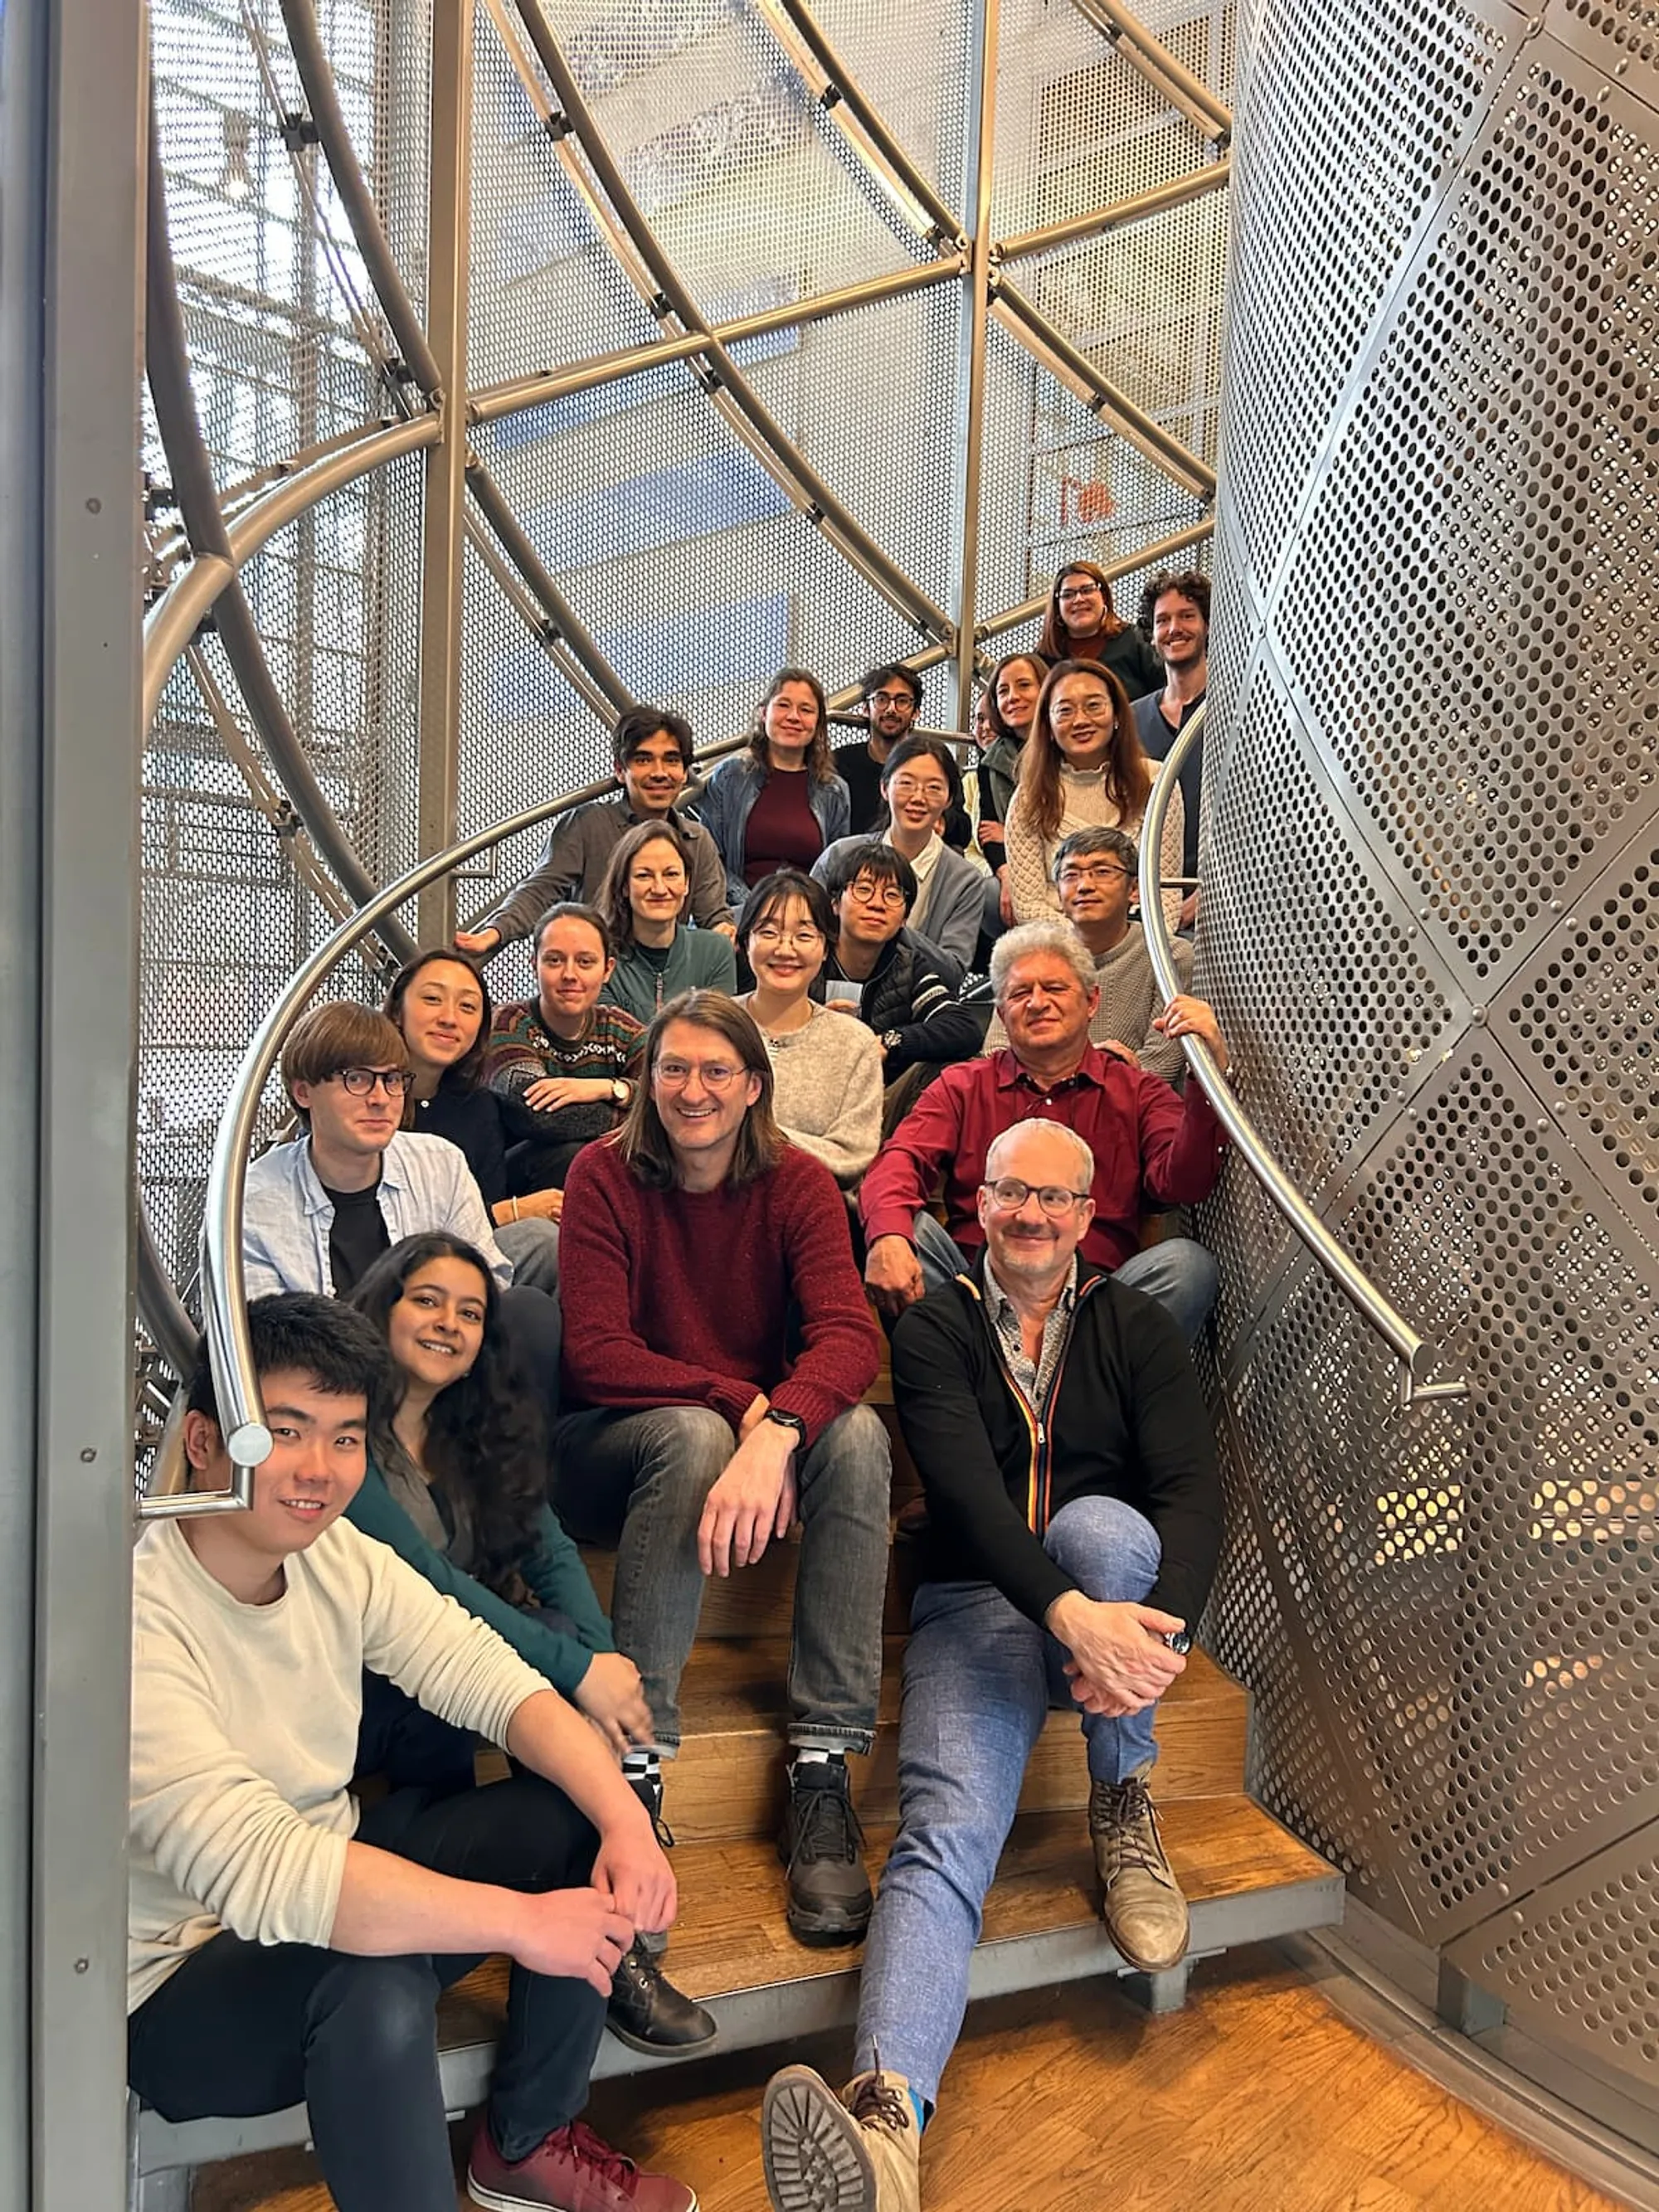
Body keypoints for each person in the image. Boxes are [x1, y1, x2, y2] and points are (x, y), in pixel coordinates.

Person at [127, 1292, 693, 2212]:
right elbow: (269, 1876)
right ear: (204, 1440)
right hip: (178, 1991)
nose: (319, 1468)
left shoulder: (334, 1556)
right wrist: (518, 1923)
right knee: (375, 1985)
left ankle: (526, 2142)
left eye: (346, 1437)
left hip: (325, 1898)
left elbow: (494, 1681)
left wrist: (625, 1820)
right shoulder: (140, 1621)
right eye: (286, 1431)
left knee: (568, 1815)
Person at [761, 1120, 1222, 2212]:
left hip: (1107, 1615)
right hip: (979, 1604)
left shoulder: (1136, 1322)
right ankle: (884, 2127)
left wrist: (1156, 1638)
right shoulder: (934, 1325)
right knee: (946, 1829)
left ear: (1087, 1211)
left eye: (1056, 1199)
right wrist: (1076, 1620)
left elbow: (1193, 1492)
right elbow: (964, 1489)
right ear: (979, 1201)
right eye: (1012, 1192)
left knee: (1109, 1528)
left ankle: (1122, 1792)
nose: (1032, 1216)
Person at [556, 991, 892, 1945]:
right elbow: (595, 1353)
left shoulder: (796, 1186)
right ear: (645, 1078)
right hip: (607, 1445)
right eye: (673, 1068)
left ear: (753, 1086)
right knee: (696, 1437)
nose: (691, 1090)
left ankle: (821, 1761)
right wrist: (738, 1404)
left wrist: (780, 1430)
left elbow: (845, 1337)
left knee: (860, 1437)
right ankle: (633, 1764)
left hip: (738, 1434)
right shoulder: (602, 1176)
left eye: (715, 1071)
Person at [346, 1234, 717, 2059]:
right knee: (546, 1657)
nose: (449, 1323)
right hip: (364, 1691)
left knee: (556, 1640)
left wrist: (602, 1658)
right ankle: (564, 1904)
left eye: (471, 1312)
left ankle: (606, 1931)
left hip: (447, 1691)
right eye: (427, 1300)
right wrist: (581, 1670)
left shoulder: (471, 1430)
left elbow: (547, 1547)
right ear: (384, 1306)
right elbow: (434, 1593)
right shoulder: (343, 1439)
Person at [860, 920, 1228, 1345]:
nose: (1037, 1003)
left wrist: (1206, 1077)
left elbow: (1183, 1182)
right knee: (911, 1231)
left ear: (1092, 1001)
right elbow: (901, 1158)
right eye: (1020, 993)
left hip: (1095, 1317)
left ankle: (1084, 1393)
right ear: (1001, 1013)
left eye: (1055, 989)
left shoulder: (1138, 1091)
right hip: (974, 1310)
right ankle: (962, 1389)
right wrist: (887, 1234)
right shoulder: (963, 1086)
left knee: (1186, 1265)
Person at [241, 1001, 511, 1301]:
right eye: (356, 1079)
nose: (381, 1098)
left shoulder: (440, 1166)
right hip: (321, 1349)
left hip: (433, 1346)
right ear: (303, 1092)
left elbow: (489, 1284)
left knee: (530, 1311)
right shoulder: (255, 1198)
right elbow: (262, 1335)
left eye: (392, 1079)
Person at [457, 703, 734, 959]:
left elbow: (713, 916)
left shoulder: (697, 839)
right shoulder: (587, 824)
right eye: (643, 760)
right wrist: (494, 932)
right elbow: (541, 890)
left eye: (672, 760)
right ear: (620, 770)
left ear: (685, 772)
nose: (660, 772)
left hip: (664, 979)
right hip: (590, 975)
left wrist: (724, 931)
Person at [385, 947, 562, 1288]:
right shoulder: (365, 1096)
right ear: (397, 1011)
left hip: (466, 1261)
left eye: (467, 1006)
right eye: (433, 999)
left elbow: (484, 1214)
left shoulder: (478, 1106)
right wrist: (515, 1210)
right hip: (383, 1264)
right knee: (540, 1237)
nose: (450, 1018)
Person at [981, 827, 1193, 1084]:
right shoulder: (1031, 956)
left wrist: (1085, 1081)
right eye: (1070, 875)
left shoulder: (1170, 956)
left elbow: (1162, 1064)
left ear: (1134, 889)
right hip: (1035, 1101)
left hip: (1132, 1105)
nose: (1084, 886)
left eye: (1102, 872)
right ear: (1058, 892)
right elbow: (995, 1052)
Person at [1004, 659, 1185, 936]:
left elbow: (1167, 892)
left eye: (1093, 706)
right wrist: (1089, 942)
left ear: (1117, 715)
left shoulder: (1158, 783)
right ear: (1048, 726)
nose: (1080, 721)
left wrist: (1131, 945)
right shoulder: (1029, 797)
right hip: (1060, 944)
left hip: (1141, 938)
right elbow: (1028, 906)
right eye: (1065, 711)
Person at [735, 870, 883, 1186]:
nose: (785, 949)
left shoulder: (854, 1043)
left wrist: (757, 1132)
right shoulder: (713, 1026)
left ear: (826, 948)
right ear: (745, 941)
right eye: (769, 932)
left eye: (804, 936)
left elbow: (852, 1155)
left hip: (813, 1207)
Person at [484, 904, 645, 1193]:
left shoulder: (618, 1028)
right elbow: (540, 1116)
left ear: (607, 969)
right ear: (534, 965)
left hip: (597, 1172)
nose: (570, 974)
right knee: (574, 1152)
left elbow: (668, 1092)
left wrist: (609, 1088)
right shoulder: (508, 1022)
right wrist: (634, 1111)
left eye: (585, 962)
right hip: (519, 1184)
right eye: (555, 960)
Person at [818, 842, 983, 1092]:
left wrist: (889, 1042)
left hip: (882, 1099)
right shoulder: (809, 957)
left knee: (955, 1068)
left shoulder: (908, 965)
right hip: (806, 1089)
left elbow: (964, 1028)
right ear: (835, 903)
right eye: (863, 890)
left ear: (905, 917)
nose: (876, 904)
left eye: (892, 895)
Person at [815, 736, 985, 977]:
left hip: (916, 1004)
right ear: (885, 788)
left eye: (934, 787)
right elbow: (806, 927)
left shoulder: (965, 879)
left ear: (949, 799)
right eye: (906, 783)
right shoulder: (840, 855)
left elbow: (954, 972)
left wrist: (892, 926)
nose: (918, 797)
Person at [693, 668, 850, 906]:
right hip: (737, 913)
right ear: (764, 713)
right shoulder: (730, 776)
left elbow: (836, 872)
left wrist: (801, 912)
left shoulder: (834, 791)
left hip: (808, 917)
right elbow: (710, 860)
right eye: (783, 705)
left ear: (818, 723)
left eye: (806, 710)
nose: (794, 717)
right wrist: (756, 908)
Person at [596, 816, 738, 1023]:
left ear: (687, 883)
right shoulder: (598, 956)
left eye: (671, 874)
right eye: (644, 876)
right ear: (625, 885)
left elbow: (715, 1036)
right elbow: (614, 1040)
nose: (660, 889)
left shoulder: (715, 951)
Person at [1133, 570, 1210, 921]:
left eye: (1187, 616)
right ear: (1152, 635)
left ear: (1208, 625)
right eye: (1163, 620)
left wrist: (1213, 891)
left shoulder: (1241, 709)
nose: (1174, 628)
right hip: (1147, 896)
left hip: (1219, 895)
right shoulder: (1133, 720)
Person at [830, 665, 973, 849]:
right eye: (881, 699)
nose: (891, 709)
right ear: (865, 708)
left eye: (902, 701)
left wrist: (940, 821)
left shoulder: (935, 764)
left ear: (916, 712)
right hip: (853, 864)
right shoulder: (840, 762)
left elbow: (962, 831)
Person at [975, 650, 1049, 939]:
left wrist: (1010, 834)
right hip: (1020, 872)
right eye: (1003, 691)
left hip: (1064, 869)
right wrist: (1007, 877)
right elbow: (987, 835)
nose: (1012, 697)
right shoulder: (992, 761)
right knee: (988, 892)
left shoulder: (1067, 749)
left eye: (1024, 685)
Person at [1034, 561, 1163, 698]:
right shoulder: (1044, 658)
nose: (1078, 599)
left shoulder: (1135, 639)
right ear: (1057, 606)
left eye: (1087, 590)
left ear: (1104, 597)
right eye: (1068, 595)